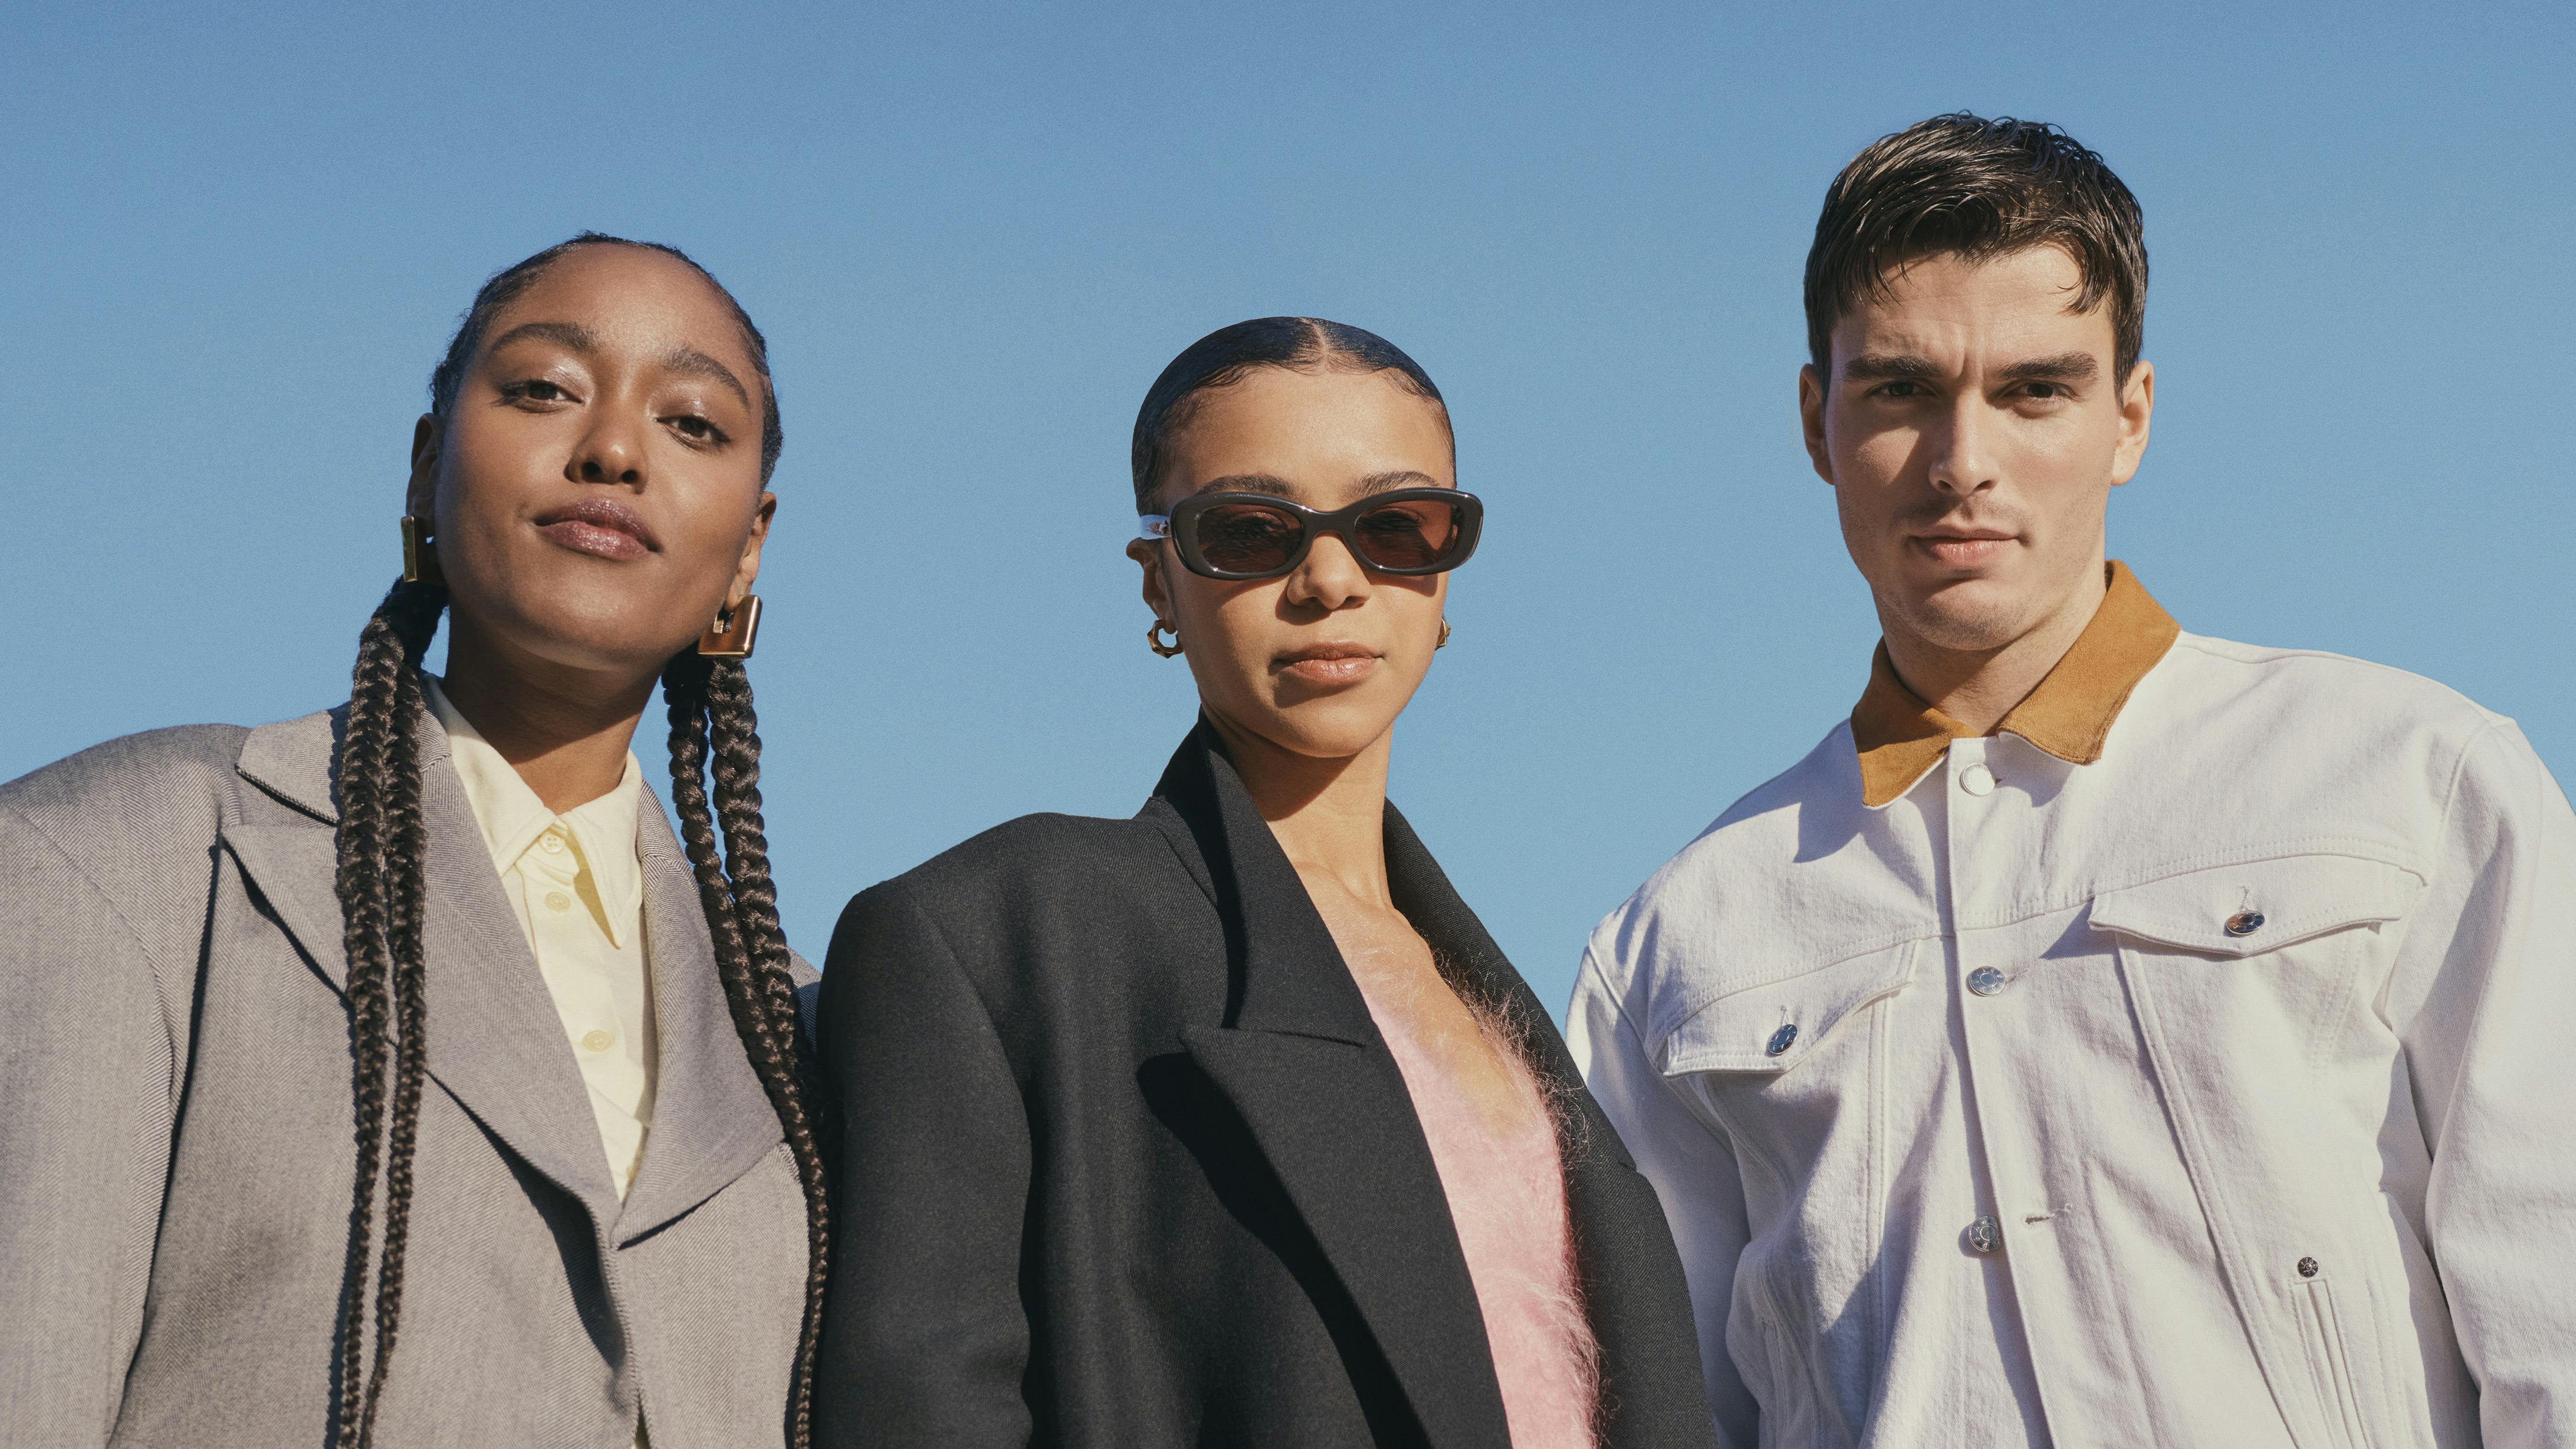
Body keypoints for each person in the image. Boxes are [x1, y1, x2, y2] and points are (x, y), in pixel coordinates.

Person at [1570, 110, 2576, 1448]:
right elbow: (1659, 1413)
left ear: (2130, 418)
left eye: (2034, 389)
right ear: (1817, 422)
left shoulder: (2410, 779)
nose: (1961, 461)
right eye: (1901, 390)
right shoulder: (1681, 940)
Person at [812, 317, 1714, 1448]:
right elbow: (921, 1407)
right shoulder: (1004, 933)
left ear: (1446, 572)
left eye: (1395, 527)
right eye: (1249, 531)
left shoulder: (1491, 995)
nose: (1332, 580)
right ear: (1158, 580)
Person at [0, 234, 829, 1448]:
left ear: (748, 547)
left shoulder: (806, 1034)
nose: (612, 448)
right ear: (427, 466)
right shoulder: (127, 856)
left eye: (694, 422)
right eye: (545, 387)